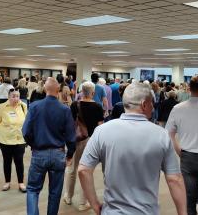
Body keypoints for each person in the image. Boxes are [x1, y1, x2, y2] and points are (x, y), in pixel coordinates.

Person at [78, 82, 187, 215]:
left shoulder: (101, 131)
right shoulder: (161, 135)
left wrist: (94, 204)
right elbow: (174, 179)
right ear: (144, 104)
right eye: (151, 103)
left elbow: (83, 170)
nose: (153, 107)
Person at [22, 77, 76, 215]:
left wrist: (33, 145)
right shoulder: (65, 109)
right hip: (58, 154)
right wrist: (69, 155)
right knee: (55, 192)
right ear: (58, 90)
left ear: (45, 89)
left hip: (39, 152)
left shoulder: (34, 106)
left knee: (33, 189)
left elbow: (26, 131)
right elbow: (71, 137)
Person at [166, 76, 198, 215]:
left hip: (187, 157)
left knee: (189, 198)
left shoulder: (177, 108)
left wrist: (179, 151)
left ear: (189, 89)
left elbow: (168, 134)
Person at [63, 81, 104, 211]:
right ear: (93, 93)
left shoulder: (75, 105)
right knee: (86, 171)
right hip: (90, 141)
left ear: (81, 92)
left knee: (71, 169)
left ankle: (68, 197)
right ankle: (82, 203)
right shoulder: (98, 107)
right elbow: (100, 127)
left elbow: (69, 123)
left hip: (75, 140)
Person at [0, 89, 27, 193]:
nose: (16, 98)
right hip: (5, 139)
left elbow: (27, 120)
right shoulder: (3, 107)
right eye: (13, 96)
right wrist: (2, 131)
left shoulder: (23, 106)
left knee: (19, 161)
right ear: (9, 97)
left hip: (19, 139)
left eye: (17, 96)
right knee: (7, 161)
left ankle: (21, 183)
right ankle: (7, 182)